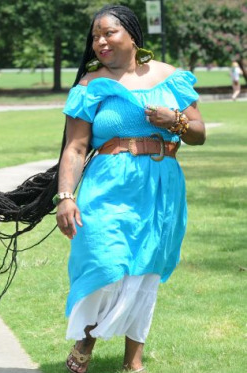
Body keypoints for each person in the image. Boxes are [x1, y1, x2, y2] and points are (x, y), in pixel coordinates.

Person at [55, 5, 205, 373]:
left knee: (144, 270)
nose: (100, 41)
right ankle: (86, 337)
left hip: (159, 186)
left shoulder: (171, 78)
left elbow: (200, 133)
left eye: (108, 33)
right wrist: (65, 196)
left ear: (132, 34)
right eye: (95, 36)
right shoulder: (90, 86)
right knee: (104, 259)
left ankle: (132, 362)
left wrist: (178, 121)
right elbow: (74, 147)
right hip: (107, 183)